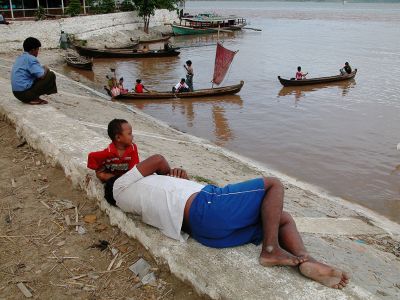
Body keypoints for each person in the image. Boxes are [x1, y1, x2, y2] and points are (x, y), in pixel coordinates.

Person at [87, 119, 350, 290]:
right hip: (208, 205)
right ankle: (270, 250)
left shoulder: (131, 198)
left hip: (206, 233)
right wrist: (166, 172)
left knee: (282, 217)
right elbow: (157, 159)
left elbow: (166, 188)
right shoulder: (120, 186)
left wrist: (176, 178)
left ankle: (306, 260)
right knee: (273, 184)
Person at [11, 37, 57, 105]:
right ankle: (33, 98)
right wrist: (46, 68)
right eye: (37, 49)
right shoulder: (31, 59)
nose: (38, 52)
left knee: (37, 76)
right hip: (24, 94)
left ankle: (33, 97)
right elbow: (41, 75)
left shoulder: (20, 57)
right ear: (33, 50)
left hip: (16, 93)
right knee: (50, 75)